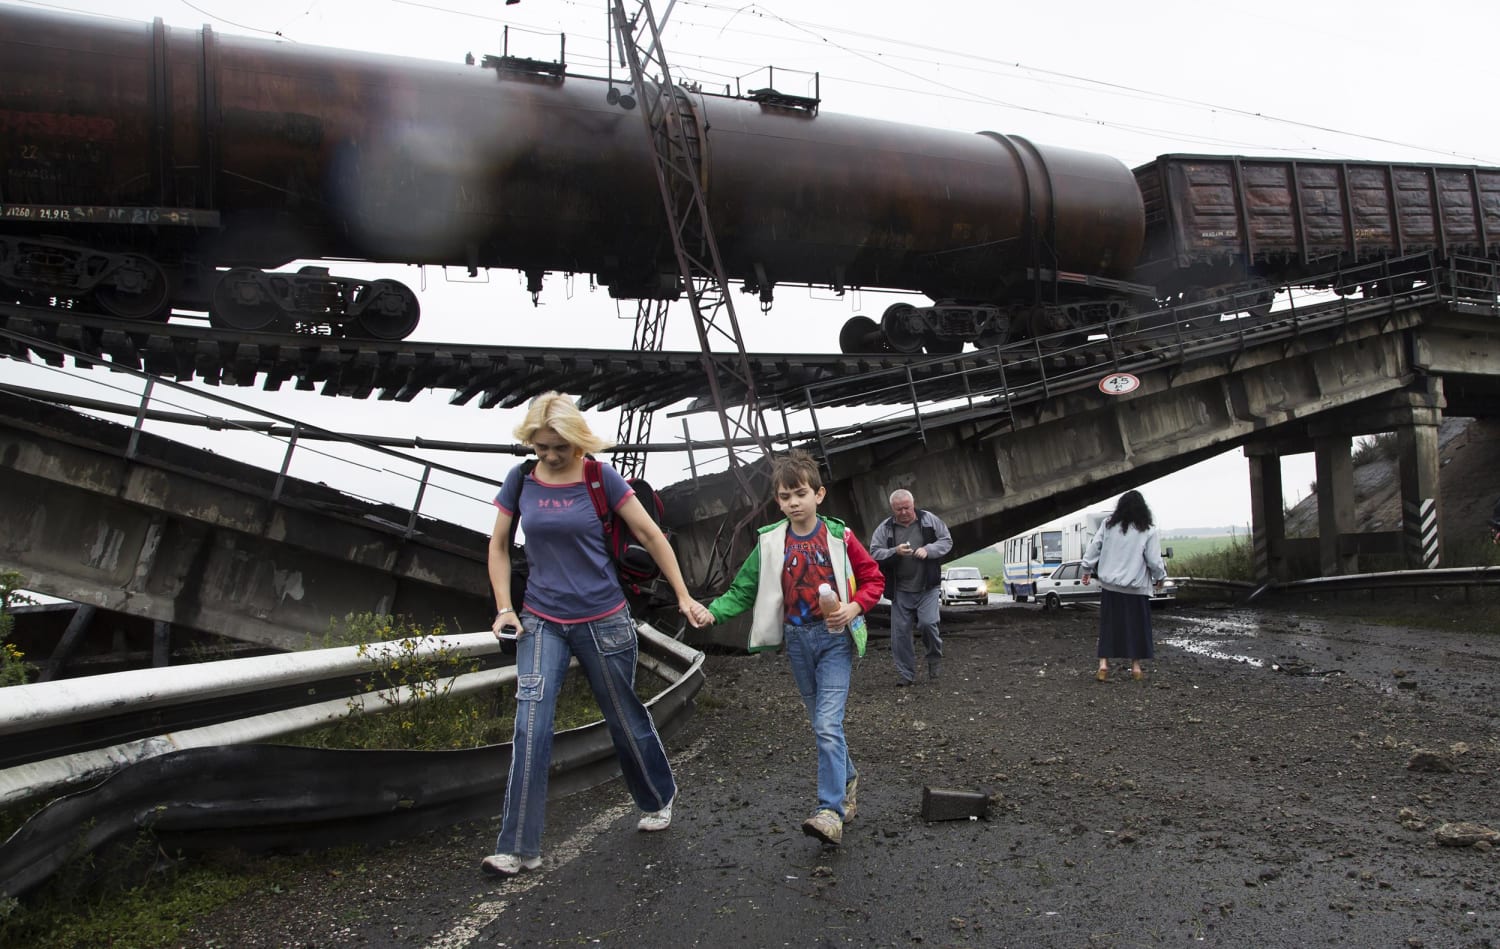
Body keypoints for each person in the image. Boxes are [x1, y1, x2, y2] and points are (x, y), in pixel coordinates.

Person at [481, 392, 709, 877]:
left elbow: (650, 535)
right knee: (531, 725)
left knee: (623, 717)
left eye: (556, 447)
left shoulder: (598, 477)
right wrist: (505, 608)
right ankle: (519, 847)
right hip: (541, 618)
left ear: (577, 440)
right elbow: (498, 545)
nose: (548, 456)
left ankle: (656, 797)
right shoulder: (521, 480)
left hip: (604, 619)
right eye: (540, 447)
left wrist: (685, 596)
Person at [696, 449, 884, 847]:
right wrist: (712, 614)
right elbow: (743, 590)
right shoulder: (770, 542)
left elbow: (873, 579)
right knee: (822, 725)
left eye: (800, 493)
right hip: (797, 643)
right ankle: (848, 779)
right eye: (784, 497)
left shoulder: (839, 536)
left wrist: (852, 608)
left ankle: (829, 811)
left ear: (819, 494)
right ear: (777, 501)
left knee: (827, 725)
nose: (793, 503)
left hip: (835, 640)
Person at [868, 489, 954, 686]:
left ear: (913, 504)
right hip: (900, 590)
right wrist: (894, 552)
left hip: (927, 587)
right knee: (900, 635)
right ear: (892, 509)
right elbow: (874, 552)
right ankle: (906, 675)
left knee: (928, 624)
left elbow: (947, 541)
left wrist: (928, 549)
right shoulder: (885, 528)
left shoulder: (929, 520)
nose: (904, 512)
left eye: (907, 507)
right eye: (899, 509)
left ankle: (934, 658)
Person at [1080, 490, 1167, 682]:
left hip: (1110, 587)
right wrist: (1160, 577)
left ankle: (1103, 664)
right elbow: (1153, 560)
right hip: (1136, 588)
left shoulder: (1107, 525)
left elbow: (1094, 547)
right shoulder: (1148, 530)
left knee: (1109, 626)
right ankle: (1135, 668)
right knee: (1136, 627)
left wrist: (1086, 569)